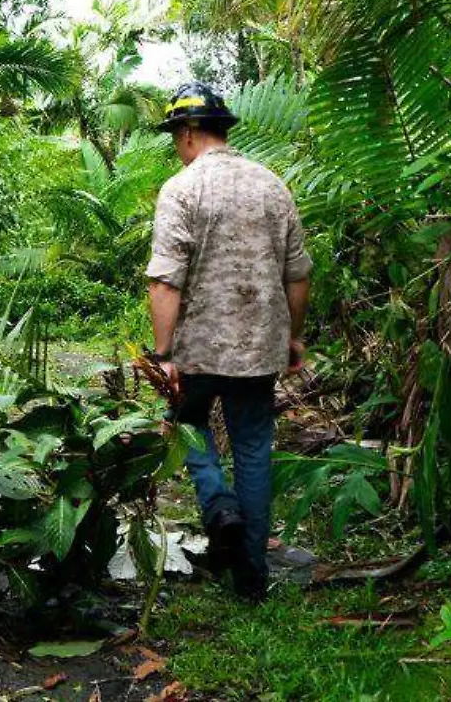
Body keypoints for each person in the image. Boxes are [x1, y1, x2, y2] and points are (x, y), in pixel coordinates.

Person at [145, 81, 313, 602]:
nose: (177, 145)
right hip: (260, 346)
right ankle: (251, 578)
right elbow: (299, 275)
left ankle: (219, 505)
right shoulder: (272, 186)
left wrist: (164, 355)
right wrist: (292, 337)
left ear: (191, 132)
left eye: (177, 134)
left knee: (187, 426)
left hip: (198, 350)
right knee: (255, 448)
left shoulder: (182, 190)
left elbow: (164, 281)